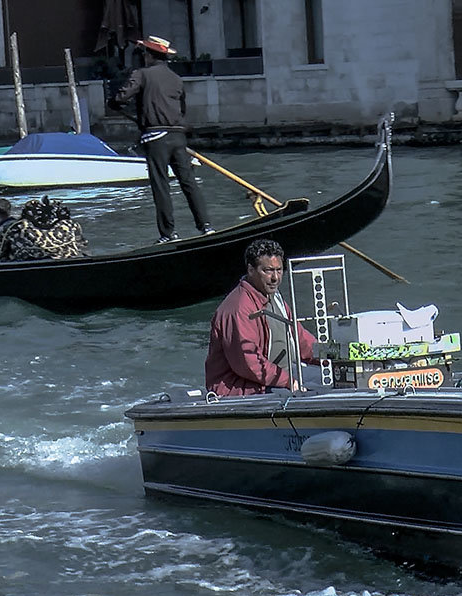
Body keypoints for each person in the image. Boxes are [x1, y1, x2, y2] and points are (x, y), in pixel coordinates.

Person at [112, 35, 213, 244]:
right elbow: (182, 110)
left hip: (156, 137)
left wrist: (114, 101)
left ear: (149, 55)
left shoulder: (141, 74)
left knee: (161, 185)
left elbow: (122, 96)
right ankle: (206, 226)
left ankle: (168, 233)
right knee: (188, 182)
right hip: (178, 136)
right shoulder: (176, 79)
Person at [205, 239, 317, 397]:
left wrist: (331, 357)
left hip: (280, 376)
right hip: (244, 388)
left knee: (332, 378)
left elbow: (300, 338)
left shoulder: (275, 297)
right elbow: (248, 362)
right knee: (311, 391)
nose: (275, 278)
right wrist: (287, 381)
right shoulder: (239, 308)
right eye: (268, 271)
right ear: (251, 270)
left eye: (279, 270)